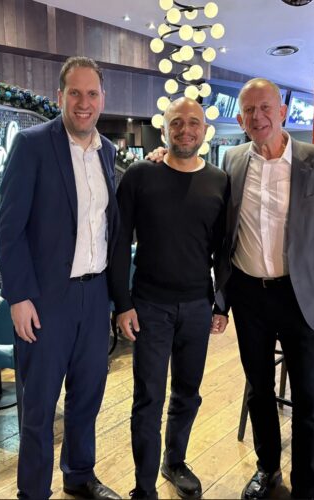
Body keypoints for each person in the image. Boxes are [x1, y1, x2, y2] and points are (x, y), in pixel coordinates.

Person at [215, 78, 314, 500]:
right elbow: (221, 230)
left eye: (265, 107)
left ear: (283, 112)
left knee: (307, 397)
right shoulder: (232, 160)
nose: (257, 117)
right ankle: (267, 469)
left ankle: (306, 485)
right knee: (259, 390)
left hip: (300, 296)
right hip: (248, 294)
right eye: (249, 110)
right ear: (240, 119)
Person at [0, 56, 121, 500]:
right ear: (60, 96)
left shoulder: (107, 151)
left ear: (102, 99)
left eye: (92, 94)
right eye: (75, 93)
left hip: (95, 295)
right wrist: (19, 297)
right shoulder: (32, 145)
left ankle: (79, 475)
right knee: (39, 406)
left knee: (87, 395)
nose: (84, 103)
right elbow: (9, 228)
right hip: (46, 301)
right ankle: (33, 492)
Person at [110, 97, 229, 500]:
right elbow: (118, 241)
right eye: (176, 122)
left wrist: (221, 302)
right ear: (163, 129)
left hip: (197, 306)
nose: (185, 130)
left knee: (188, 393)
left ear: (205, 130)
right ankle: (144, 487)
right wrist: (122, 303)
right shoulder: (140, 175)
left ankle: (174, 461)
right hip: (149, 306)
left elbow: (223, 248)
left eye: (193, 122)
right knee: (148, 398)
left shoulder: (219, 180)